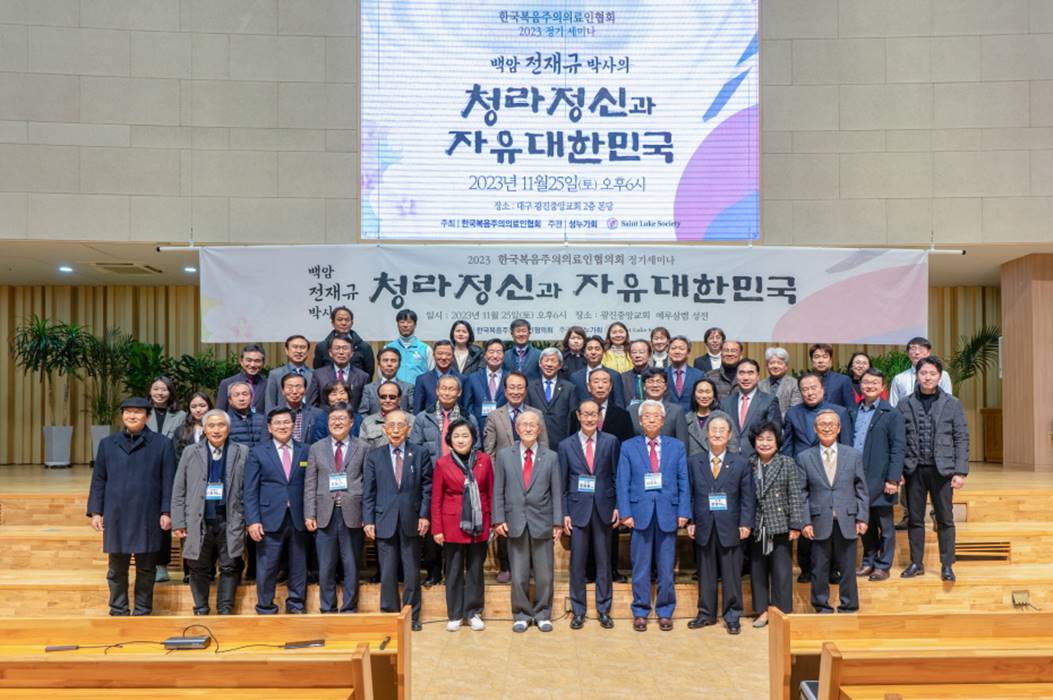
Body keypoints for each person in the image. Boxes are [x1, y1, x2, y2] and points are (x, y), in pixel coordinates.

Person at [87, 397, 175, 616]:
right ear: (122, 415)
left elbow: (169, 480)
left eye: (137, 412)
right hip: (116, 514)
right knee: (117, 569)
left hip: (149, 514)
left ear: (147, 416)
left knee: (146, 569)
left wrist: (167, 511)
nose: (132, 416)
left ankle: (143, 610)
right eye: (128, 412)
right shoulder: (108, 444)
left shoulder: (162, 443)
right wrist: (96, 511)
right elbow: (99, 480)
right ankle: (118, 610)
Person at [616, 400, 690, 632]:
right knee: (641, 567)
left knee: (667, 568)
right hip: (639, 514)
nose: (651, 419)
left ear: (663, 420)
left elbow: (683, 481)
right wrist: (625, 512)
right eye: (646, 416)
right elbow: (622, 481)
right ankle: (640, 611)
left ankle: (665, 611)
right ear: (640, 421)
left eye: (655, 416)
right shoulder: (628, 447)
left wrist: (684, 511)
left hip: (668, 513)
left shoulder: (676, 447)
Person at [171, 409, 247, 615]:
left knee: (231, 565)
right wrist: (178, 522)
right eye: (211, 426)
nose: (216, 430)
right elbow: (179, 489)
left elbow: (248, 489)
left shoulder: (242, 452)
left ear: (228, 429)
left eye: (221, 425)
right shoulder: (190, 452)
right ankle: (201, 608)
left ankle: (225, 608)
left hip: (229, 519)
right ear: (204, 429)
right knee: (197, 567)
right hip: (198, 519)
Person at [899, 356, 969, 582]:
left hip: (943, 471)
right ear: (917, 376)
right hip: (914, 470)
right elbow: (899, 440)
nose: (927, 377)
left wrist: (960, 472)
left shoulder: (952, 403)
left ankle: (947, 564)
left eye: (932, 373)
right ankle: (916, 563)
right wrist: (897, 472)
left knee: (945, 519)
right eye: (923, 373)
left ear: (939, 376)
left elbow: (961, 438)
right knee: (915, 519)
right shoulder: (905, 403)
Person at [492, 411, 562, 633]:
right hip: (515, 522)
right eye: (524, 425)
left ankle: (543, 614)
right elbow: (498, 490)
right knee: (519, 574)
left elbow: (557, 493)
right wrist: (499, 518)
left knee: (544, 574)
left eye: (533, 425)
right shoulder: (504, 455)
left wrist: (557, 522)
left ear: (539, 429)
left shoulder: (551, 456)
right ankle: (521, 614)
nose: (529, 428)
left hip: (542, 521)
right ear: (517, 429)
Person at [686, 414, 755, 635]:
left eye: (721, 430)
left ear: (729, 435)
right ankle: (706, 613)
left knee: (731, 574)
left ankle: (732, 615)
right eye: (713, 429)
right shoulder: (694, 462)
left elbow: (747, 497)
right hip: (704, 525)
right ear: (706, 434)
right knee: (705, 572)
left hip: (731, 525)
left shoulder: (741, 463)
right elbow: (689, 494)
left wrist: (746, 523)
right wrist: (690, 520)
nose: (716, 433)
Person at [781, 372, 853, 582]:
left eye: (813, 388)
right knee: (805, 519)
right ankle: (806, 568)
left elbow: (847, 444)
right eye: (805, 389)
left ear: (823, 390)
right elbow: (787, 446)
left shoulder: (838, 411)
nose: (809, 392)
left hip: (832, 476)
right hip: (802, 474)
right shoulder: (793, 413)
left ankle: (833, 568)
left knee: (832, 524)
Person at [364, 410, 432, 630]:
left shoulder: (420, 453)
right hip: (384, 520)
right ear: (384, 429)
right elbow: (369, 491)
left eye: (400, 425)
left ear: (408, 429)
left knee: (412, 572)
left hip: (411, 520)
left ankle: (411, 616)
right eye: (390, 425)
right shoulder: (374, 456)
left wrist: (424, 515)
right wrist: (368, 520)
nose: (395, 430)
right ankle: (389, 615)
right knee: (388, 571)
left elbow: (427, 488)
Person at [409, 374, 478, 586]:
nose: (447, 392)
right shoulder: (423, 417)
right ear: (437, 391)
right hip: (430, 477)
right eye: (443, 389)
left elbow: (476, 448)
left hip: (459, 478)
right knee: (432, 525)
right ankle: (433, 570)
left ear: (459, 393)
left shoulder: (469, 418)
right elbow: (416, 447)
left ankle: (454, 571)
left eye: (452, 389)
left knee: (455, 524)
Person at [798, 409, 868, 614]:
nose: (826, 428)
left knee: (847, 568)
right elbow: (801, 492)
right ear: (815, 428)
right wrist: (805, 521)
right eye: (822, 424)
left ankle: (849, 606)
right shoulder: (804, 457)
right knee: (819, 568)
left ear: (839, 428)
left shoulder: (853, 454)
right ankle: (821, 606)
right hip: (819, 520)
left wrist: (862, 516)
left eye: (831, 424)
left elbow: (861, 488)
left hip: (847, 519)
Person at [560, 400, 620, 630]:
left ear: (599, 417)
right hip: (577, 510)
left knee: (604, 562)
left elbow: (616, 477)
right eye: (585, 414)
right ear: (578, 416)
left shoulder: (611, 441)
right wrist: (565, 512)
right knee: (577, 564)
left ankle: (604, 609)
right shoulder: (566, 445)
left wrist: (617, 506)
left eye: (593, 414)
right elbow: (563, 482)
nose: (589, 419)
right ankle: (578, 611)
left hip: (604, 509)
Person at [243, 407, 310, 614]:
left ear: (293, 425)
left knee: (299, 565)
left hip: (298, 518)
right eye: (277, 423)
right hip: (268, 518)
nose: (282, 426)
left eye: (286, 422)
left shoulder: (306, 450)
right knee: (267, 566)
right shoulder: (257, 452)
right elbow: (250, 489)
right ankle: (265, 607)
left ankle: (296, 605)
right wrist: (252, 520)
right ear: (270, 427)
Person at [431, 418, 493, 632]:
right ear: (449, 439)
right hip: (452, 524)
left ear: (473, 439)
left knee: (476, 569)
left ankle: (473, 612)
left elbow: (490, 492)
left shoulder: (484, 460)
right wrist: (437, 529)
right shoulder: (442, 463)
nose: (461, 439)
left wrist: (492, 522)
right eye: (456, 436)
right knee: (454, 570)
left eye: (465, 435)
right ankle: (455, 614)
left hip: (479, 523)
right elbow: (436, 499)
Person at [305, 403, 368, 614]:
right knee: (326, 566)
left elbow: (369, 484)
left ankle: (350, 608)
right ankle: (327, 608)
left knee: (351, 564)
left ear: (351, 423)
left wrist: (367, 517)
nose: (337, 423)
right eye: (333, 419)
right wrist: (309, 514)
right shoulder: (316, 448)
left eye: (342, 419)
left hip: (353, 513)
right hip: (324, 514)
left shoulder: (363, 447)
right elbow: (310, 484)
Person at [747, 422, 803, 627]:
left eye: (769, 439)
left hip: (781, 524)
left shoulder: (787, 463)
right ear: (754, 442)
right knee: (758, 571)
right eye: (760, 439)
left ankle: (782, 611)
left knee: (782, 572)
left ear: (777, 442)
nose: (764, 443)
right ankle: (762, 611)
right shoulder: (749, 463)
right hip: (756, 525)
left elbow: (795, 495)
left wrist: (796, 525)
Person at [852, 369, 905, 582]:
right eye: (866, 382)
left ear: (883, 387)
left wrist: (893, 478)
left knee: (885, 525)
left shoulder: (891, 414)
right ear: (860, 386)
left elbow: (898, 448)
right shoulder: (852, 411)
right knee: (865, 522)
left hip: (881, 478)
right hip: (857, 477)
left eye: (875, 383)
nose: (870, 386)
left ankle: (883, 565)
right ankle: (868, 561)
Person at [146, 375, 184, 582]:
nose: (160, 393)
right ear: (150, 391)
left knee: (165, 520)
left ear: (171, 393)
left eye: (164, 389)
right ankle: (147, 563)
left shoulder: (181, 415)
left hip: (172, 471)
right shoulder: (141, 412)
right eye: (156, 389)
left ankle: (161, 565)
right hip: (146, 473)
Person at [721, 358, 781, 460]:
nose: (746, 377)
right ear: (737, 376)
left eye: (750, 373)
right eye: (742, 373)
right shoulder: (725, 403)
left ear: (758, 376)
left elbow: (775, 434)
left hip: (758, 460)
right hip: (729, 460)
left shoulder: (769, 401)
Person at [483, 371, 550, 458]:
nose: (516, 392)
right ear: (505, 390)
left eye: (520, 387)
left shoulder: (537, 414)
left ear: (526, 391)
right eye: (512, 387)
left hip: (532, 468)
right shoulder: (494, 416)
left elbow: (543, 446)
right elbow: (489, 451)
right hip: (504, 469)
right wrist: (498, 471)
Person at [525, 347, 580, 450]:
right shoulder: (530, 387)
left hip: (562, 442)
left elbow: (574, 420)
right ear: (540, 364)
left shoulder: (569, 388)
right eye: (546, 360)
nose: (549, 364)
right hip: (535, 441)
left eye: (553, 361)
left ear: (560, 365)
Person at [571, 368, 635, 444]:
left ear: (610, 387)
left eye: (604, 382)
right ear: (588, 386)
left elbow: (627, 444)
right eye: (596, 382)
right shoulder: (577, 413)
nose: (600, 386)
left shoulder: (623, 415)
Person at [306, 334, 369, 411]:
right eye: (337, 348)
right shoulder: (318, 374)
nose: (341, 352)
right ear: (330, 353)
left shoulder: (363, 376)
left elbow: (364, 406)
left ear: (352, 353)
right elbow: (311, 404)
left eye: (345, 348)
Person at [888, 337, 953, 407]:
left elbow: (948, 401)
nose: (917, 352)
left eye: (921, 349)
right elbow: (893, 405)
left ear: (928, 352)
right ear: (908, 353)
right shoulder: (899, 378)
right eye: (913, 349)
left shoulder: (942, 375)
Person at [628, 368, 688, 443]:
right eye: (650, 381)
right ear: (644, 386)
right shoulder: (631, 411)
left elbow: (682, 442)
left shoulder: (676, 411)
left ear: (665, 386)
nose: (655, 385)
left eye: (659, 381)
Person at [313, 306, 375, 378]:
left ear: (352, 323)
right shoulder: (322, 347)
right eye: (340, 320)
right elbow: (318, 373)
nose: (343, 323)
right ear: (333, 323)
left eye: (347, 320)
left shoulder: (364, 347)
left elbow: (368, 375)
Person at [684, 378, 738, 456]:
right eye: (700, 392)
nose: (704, 396)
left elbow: (733, 445)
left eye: (708, 392)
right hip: (693, 466)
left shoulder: (723, 417)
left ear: (714, 396)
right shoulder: (686, 419)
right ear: (694, 395)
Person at [570, 335, 626, 408]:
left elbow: (619, 403)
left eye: (597, 349)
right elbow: (573, 405)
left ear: (603, 352)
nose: (593, 352)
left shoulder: (614, 375)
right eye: (590, 349)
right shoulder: (575, 377)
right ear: (584, 352)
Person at [462, 338, 507, 429]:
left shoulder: (510, 378)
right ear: (485, 355)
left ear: (503, 355)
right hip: (479, 427)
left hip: (504, 428)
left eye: (499, 352)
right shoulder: (472, 378)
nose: (495, 356)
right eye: (491, 352)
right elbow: (467, 406)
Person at [266, 334, 314, 413]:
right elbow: (270, 403)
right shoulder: (275, 374)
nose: (299, 351)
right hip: (283, 421)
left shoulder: (315, 374)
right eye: (295, 347)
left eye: (302, 347)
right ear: (286, 350)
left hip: (308, 421)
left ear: (308, 351)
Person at [412, 340, 463, 414]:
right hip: (429, 423)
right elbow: (417, 410)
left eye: (448, 354)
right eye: (440, 353)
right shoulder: (422, 380)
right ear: (433, 355)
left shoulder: (462, 379)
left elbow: (465, 409)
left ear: (453, 357)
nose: (444, 357)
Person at [360, 347, 415, 416]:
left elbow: (412, 412)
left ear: (399, 365)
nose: (389, 364)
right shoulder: (369, 388)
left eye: (393, 360)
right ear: (379, 364)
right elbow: (363, 413)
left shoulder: (408, 388)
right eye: (385, 360)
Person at [384, 309, 434, 384]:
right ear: (397, 324)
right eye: (402, 322)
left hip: (417, 393)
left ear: (415, 325)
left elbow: (431, 374)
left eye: (409, 322)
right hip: (394, 393)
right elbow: (382, 374)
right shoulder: (387, 348)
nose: (405, 325)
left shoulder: (426, 349)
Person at [360, 381, 415, 448]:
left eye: (392, 397)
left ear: (399, 399)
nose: (387, 400)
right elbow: (363, 449)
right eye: (383, 397)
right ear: (379, 399)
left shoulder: (413, 421)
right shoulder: (368, 422)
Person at [216, 343, 267, 414]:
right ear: (241, 361)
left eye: (257, 361)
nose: (252, 365)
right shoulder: (226, 384)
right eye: (249, 360)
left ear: (263, 363)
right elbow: (220, 413)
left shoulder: (268, 384)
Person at [280, 373, 323, 444]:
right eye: (289, 387)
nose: (294, 391)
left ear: (305, 390)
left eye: (299, 387)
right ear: (283, 391)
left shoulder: (318, 414)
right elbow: (265, 442)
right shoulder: (273, 413)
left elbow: (322, 442)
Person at [758, 347, 802, 418]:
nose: (775, 366)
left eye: (780, 363)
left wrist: (772, 420)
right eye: (772, 363)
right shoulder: (760, 385)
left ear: (786, 366)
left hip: (786, 426)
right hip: (762, 427)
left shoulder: (795, 384)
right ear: (767, 366)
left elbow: (794, 411)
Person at [809, 343, 855, 409]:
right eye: (817, 357)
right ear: (812, 361)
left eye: (825, 357)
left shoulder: (843, 380)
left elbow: (851, 408)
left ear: (830, 360)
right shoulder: (805, 381)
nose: (821, 361)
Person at [665, 335, 704, 412]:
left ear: (688, 353)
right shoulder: (662, 374)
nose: (677, 351)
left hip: (691, 420)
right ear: (668, 352)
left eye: (681, 348)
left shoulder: (699, 375)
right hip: (667, 419)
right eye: (673, 348)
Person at [173, 392, 213, 463]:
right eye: (193, 407)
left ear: (209, 406)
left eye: (202, 406)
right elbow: (177, 457)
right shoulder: (181, 431)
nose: (198, 410)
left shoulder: (217, 429)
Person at [226, 381, 267, 448]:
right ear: (230, 400)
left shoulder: (263, 420)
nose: (241, 399)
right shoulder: (225, 421)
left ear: (251, 398)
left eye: (245, 394)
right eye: (236, 395)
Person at [621, 338, 653, 404]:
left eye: (641, 352)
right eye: (634, 352)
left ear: (649, 355)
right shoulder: (622, 377)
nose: (637, 356)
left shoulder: (656, 375)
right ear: (630, 355)